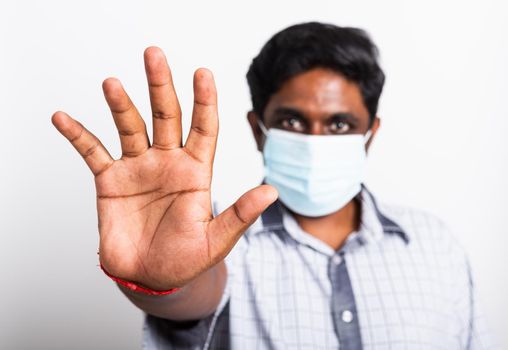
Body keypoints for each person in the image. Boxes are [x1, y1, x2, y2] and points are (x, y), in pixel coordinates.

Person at [51, 22, 498, 349]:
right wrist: (162, 281)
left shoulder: (435, 245)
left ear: (370, 133)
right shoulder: (211, 242)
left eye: (340, 123)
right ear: (258, 130)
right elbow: (193, 289)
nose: (316, 140)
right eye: (291, 120)